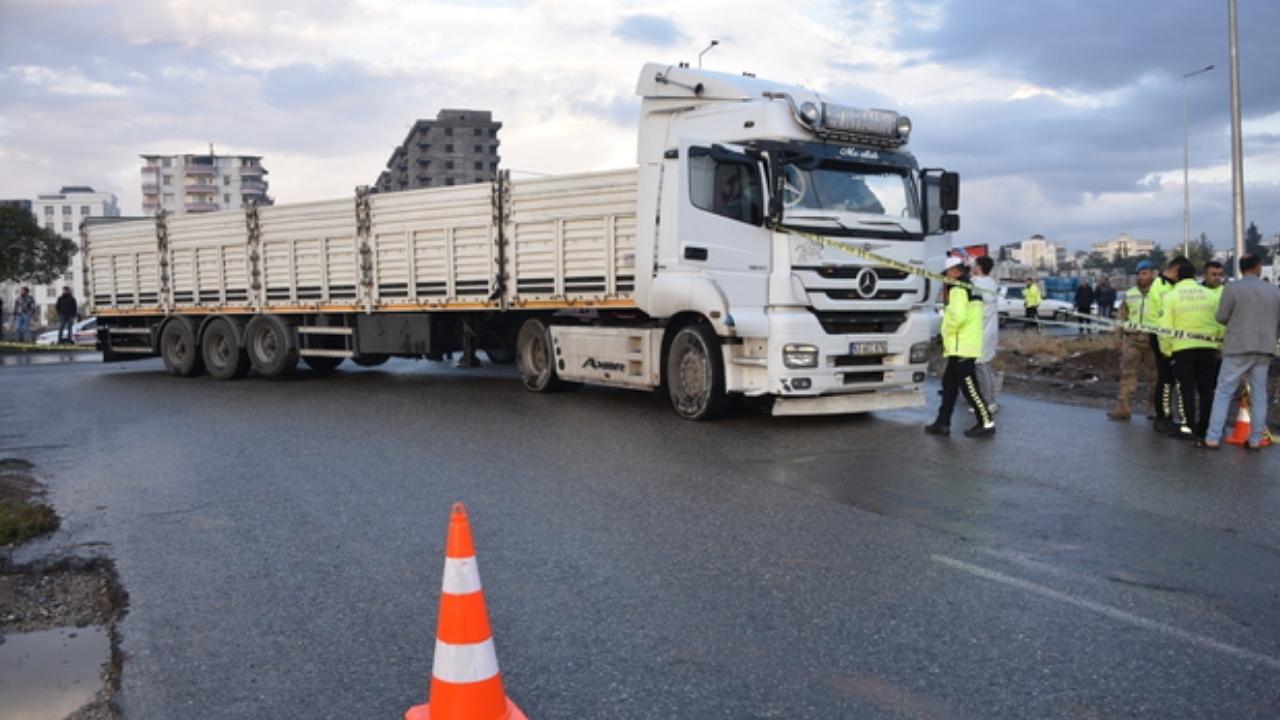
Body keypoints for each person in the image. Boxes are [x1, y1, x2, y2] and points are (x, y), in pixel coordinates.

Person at [1202, 254, 1280, 450]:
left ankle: (1212, 437)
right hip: (1264, 348)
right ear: (1258, 267)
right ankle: (1255, 440)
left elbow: (1221, 317)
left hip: (1237, 346)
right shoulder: (1274, 291)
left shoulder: (1232, 288)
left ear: (1241, 268)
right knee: (1260, 394)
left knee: (1224, 392)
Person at [926, 257, 995, 437]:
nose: (945, 279)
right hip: (962, 345)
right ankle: (942, 423)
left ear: (954, 272)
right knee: (949, 386)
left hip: (962, 345)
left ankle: (986, 423)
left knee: (969, 388)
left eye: (946, 274)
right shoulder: (970, 286)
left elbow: (957, 317)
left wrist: (945, 332)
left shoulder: (958, 288)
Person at [1159, 261, 1223, 440]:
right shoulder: (1210, 295)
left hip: (1182, 350)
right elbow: (1221, 323)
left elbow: (1165, 328)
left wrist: (1167, 350)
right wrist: (1219, 346)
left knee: (1185, 389)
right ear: (1195, 276)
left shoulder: (1171, 296)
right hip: (1208, 348)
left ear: (1178, 276)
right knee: (1206, 390)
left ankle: (1187, 427)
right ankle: (1205, 427)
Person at [1108, 260, 1161, 420]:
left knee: (1155, 377)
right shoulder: (1130, 294)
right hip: (1133, 340)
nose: (1141, 276)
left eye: (1144, 273)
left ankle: (1153, 408)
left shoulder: (1161, 293)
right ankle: (1123, 407)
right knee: (1128, 374)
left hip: (1154, 340)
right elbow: (1121, 317)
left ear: (1152, 273)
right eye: (1139, 273)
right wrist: (1117, 337)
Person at [1150, 256, 1192, 432]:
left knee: (1178, 380)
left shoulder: (1173, 286)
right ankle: (1163, 417)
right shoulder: (1160, 286)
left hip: (1178, 337)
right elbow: (1164, 315)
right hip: (1161, 336)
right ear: (1175, 269)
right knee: (1166, 380)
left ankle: (1178, 417)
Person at [971, 255, 1000, 413]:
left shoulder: (977, 284)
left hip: (980, 331)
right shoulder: (991, 283)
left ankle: (987, 402)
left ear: (980, 266)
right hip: (989, 331)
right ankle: (990, 399)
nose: (972, 267)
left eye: (974, 264)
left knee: (981, 367)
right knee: (986, 366)